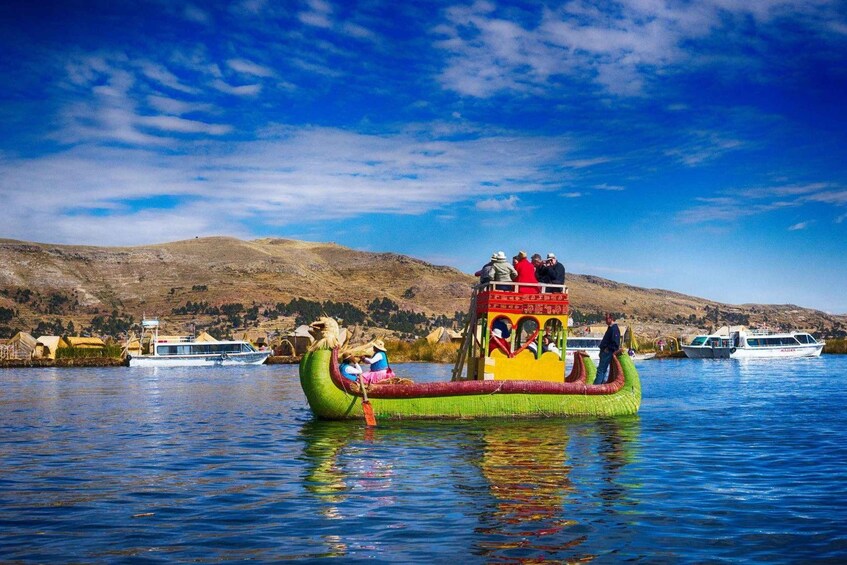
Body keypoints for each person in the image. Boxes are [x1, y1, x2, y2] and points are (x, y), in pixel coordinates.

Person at [594, 313, 621, 385]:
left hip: (607, 352)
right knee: (603, 370)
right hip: (605, 352)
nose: (605, 320)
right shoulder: (610, 328)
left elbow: (615, 342)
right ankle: (600, 384)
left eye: (606, 319)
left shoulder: (614, 329)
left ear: (611, 319)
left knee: (601, 370)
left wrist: (608, 349)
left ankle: (596, 387)